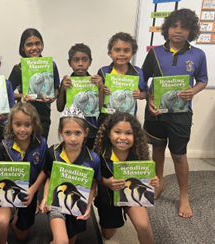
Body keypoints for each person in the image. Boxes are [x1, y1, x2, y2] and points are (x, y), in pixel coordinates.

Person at [142, 9, 207, 218]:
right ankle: (158, 183)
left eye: (184, 27)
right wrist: (149, 98)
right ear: (167, 28)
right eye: (174, 26)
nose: (178, 31)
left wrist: (192, 91)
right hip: (156, 112)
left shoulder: (198, 54)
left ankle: (184, 196)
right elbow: (142, 82)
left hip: (181, 114)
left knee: (179, 155)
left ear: (191, 31)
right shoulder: (154, 53)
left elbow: (203, 80)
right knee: (158, 149)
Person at [0, 103, 47, 244]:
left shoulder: (41, 143)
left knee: (22, 237)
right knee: (0, 221)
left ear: (34, 125)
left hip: (29, 193)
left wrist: (33, 190)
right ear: (11, 124)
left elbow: (44, 170)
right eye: (18, 124)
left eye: (27, 125)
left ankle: (16, 216)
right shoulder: (4, 145)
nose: (22, 129)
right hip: (7, 192)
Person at [93, 112, 159, 244]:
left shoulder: (140, 152)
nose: (122, 137)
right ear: (108, 133)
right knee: (107, 235)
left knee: (144, 227)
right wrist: (107, 182)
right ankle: (115, 220)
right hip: (108, 199)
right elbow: (93, 178)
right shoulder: (99, 153)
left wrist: (154, 179)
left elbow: (147, 174)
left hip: (132, 195)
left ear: (135, 135)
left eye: (128, 133)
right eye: (117, 132)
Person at [40, 105, 101, 244]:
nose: (73, 138)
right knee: (62, 241)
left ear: (86, 132)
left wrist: (88, 205)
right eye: (68, 133)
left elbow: (92, 184)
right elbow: (49, 177)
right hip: (55, 201)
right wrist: (45, 197)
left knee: (70, 240)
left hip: (77, 204)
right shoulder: (53, 153)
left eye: (78, 133)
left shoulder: (93, 159)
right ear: (61, 132)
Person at [8, 28, 60, 140]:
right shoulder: (18, 69)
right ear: (23, 47)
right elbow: (7, 92)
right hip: (23, 114)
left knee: (41, 145)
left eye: (38, 43)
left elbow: (56, 88)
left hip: (43, 114)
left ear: (42, 44)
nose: (34, 48)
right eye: (29, 45)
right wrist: (22, 96)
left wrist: (52, 98)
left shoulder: (50, 65)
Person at [56, 43, 104, 149]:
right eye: (76, 60)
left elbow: (100, 109)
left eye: (84, 60)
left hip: (91, 130)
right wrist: (63, 90)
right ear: (69, 63)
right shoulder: (66, 82)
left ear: (90, 62)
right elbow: (59, 108)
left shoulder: (95, 82)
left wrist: (100, 89)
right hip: (72, 129)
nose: (80, 64)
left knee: (90, 158)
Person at [97, 32, 147, 127]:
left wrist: (140, 94)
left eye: (126, 50)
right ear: (110, 53)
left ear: (133, 53)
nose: (121, 54)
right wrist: (102, 90)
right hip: (106, 119)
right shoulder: (103, 72)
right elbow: (96, 95)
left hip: (128, 119)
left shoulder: (138, 72)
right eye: (117, 50)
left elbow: (145, 93)